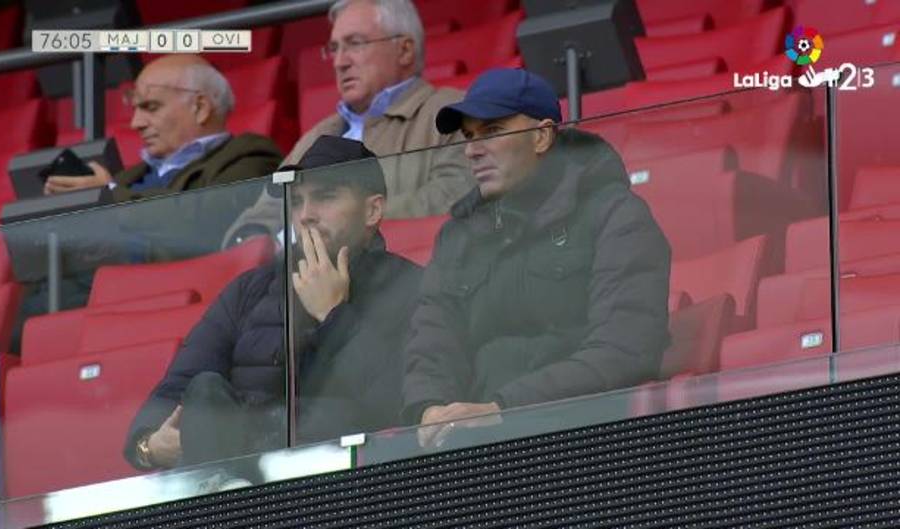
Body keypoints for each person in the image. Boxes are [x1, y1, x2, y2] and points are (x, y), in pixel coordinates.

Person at [402, 69, 672, 445]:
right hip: (471, 444)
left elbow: (623, 350)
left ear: (542, 136)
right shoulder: (458, 235)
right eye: (468, 136)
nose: (471, 150)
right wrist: (429, 409)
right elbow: (431, 343)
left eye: (492, 132)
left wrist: (501, 410)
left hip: (583, 438)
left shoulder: (615, 215)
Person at [124, 136, 422, 471]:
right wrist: (148, 445)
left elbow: (397, 402)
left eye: (325, 197)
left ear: (373, 210)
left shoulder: (414, 287)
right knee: (206, 391)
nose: (306, 215)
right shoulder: (250, 289)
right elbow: (177, 385)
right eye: (296, 202)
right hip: (235, 481)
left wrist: (333, 314)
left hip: (347, 480)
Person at [223, 0, 473, 247]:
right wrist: (254, 244)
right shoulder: (317, 135)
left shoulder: (452, 111)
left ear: (405, 50)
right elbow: (261, 215)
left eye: (355, 44)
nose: (339, 62)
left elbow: (452, 196)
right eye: (334, 48)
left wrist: (339, 227)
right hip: (297, 277)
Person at [44, 54, 282, 202]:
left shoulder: (251, 156)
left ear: (200, 107)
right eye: (136, 109)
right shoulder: (126, 178)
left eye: (151, 107)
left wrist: (110, 195)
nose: (136, 123)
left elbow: (207, 221)